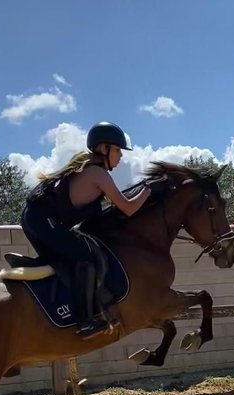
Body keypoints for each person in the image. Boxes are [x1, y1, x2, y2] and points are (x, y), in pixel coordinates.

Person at [21, 122, 152, 338]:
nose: (120, 156)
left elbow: (97, 220)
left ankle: (64, 311)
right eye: (118, 150)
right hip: (42, 219)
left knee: (71, 259)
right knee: (86, 258)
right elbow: (128, 208)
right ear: (104, 149)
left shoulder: (90, 173)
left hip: (35, 220)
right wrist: (147, 191)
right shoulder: (97, 174)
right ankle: (86, 321)